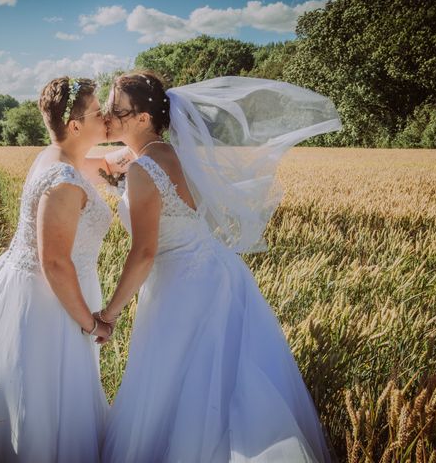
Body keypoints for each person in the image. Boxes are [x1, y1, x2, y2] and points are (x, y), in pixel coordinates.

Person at [97, 71, 342, 462]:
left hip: (181, 286)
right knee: (222, 380)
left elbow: (143, 253)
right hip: (213, 271)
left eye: (116, 109)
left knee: (182, 385)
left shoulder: (144, 168)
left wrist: (110, 313)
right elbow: (111, 165)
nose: (107, 114)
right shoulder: (161, 152)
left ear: (143, 118)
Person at [0, 76, 133, 462]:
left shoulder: (60, 157)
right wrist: (91, 323)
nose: (106, 118)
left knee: (43, 399)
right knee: (45, 401)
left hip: (33, 286)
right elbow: (54, 262)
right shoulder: (63, 180)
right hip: (48, 304)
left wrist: (148, 147)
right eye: (99, 112)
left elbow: (109, 165)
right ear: (76, 125)